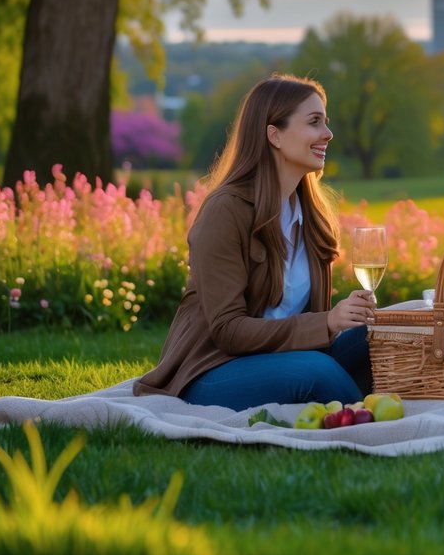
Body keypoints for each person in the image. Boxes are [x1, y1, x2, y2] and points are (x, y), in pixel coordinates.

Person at [135, 74, 376, 410]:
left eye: (326, 122)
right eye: (314, 122)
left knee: (383, 335)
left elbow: (309, 322)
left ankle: (374, 400)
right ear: (274, 135)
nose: (328, 134)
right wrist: (326, 322)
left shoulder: (310, 214)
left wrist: (343, 318)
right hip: (215, 368)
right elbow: (228, 331)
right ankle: (367, 420)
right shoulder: (225, 211)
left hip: (290, 359)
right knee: (317, 372)